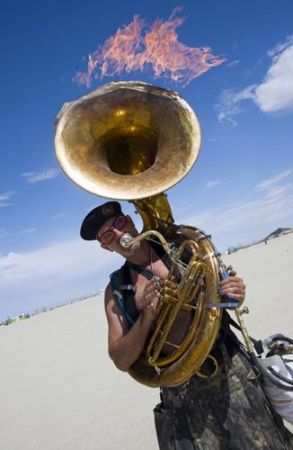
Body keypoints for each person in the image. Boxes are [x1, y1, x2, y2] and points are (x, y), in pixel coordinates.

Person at [80, 201, 293, 450]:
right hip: (182, 393)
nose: (118, 234)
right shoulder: (116, 289)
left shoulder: (183, 249)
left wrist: (235, 292)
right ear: (105, 247)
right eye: (108, 235)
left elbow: (226, 295)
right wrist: (147, 315)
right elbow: (120, 359)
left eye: (118, 223)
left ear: (129, 219)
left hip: (231, 370)